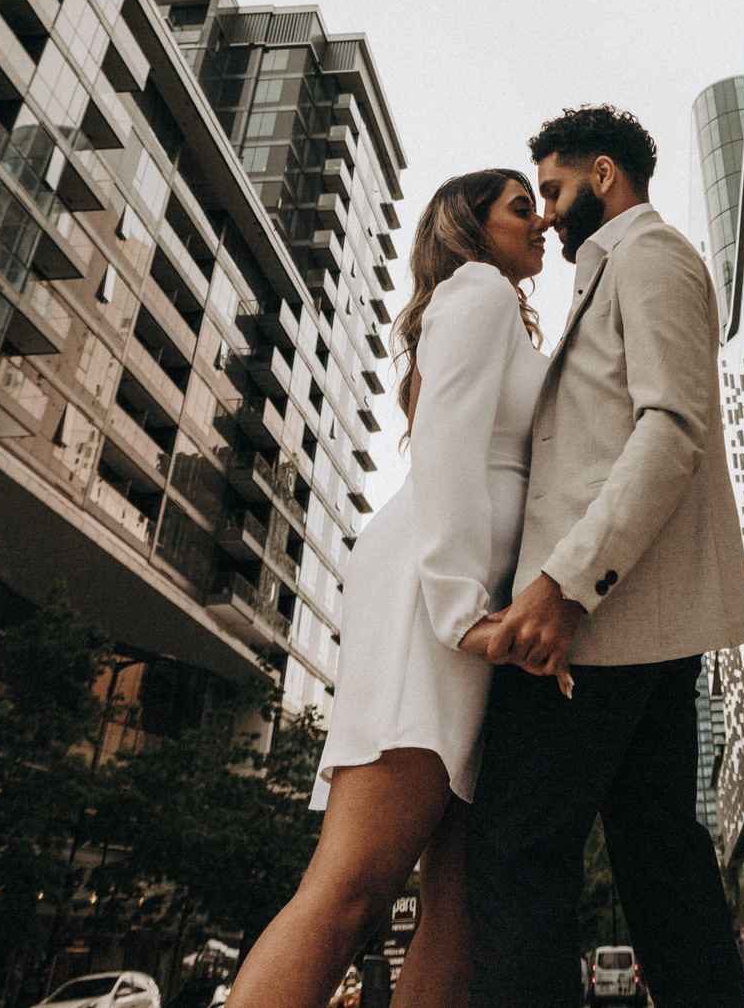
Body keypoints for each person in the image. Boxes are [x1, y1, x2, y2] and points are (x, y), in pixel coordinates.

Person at [226, 170, 550, 1008]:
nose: (541, 219)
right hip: (439, 601)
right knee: (354, 890)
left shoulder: (498, 310)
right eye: (522, 206)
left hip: (479, 606)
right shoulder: (477, 290)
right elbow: (444, 446)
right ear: (472, 226)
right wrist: (460, 611)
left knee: (459, 903)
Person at [467, 105, 744, 1006]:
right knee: (662, 863)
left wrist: (562, 586)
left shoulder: (652, 256)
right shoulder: (617, 269)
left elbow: (671, 429)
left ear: (603, 176)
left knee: (517, 851)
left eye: (552, 190)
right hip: (630, 624)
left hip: (592, 623)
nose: (545, 213)